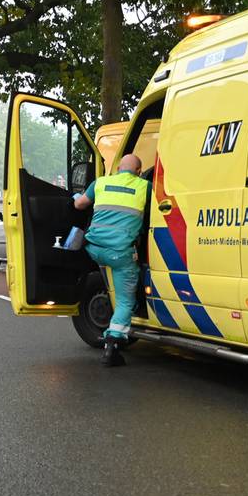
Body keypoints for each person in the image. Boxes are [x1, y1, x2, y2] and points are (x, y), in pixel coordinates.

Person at [72, 154, 150, 367]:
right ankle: (112, 346)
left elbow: (79, 205)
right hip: (120, 253)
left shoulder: (101, 183)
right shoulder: (145, 186)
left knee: (110, 276)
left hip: (94, 248)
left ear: (117, 169)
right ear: (139, 171)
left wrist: (73, 198)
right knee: (126, 301)